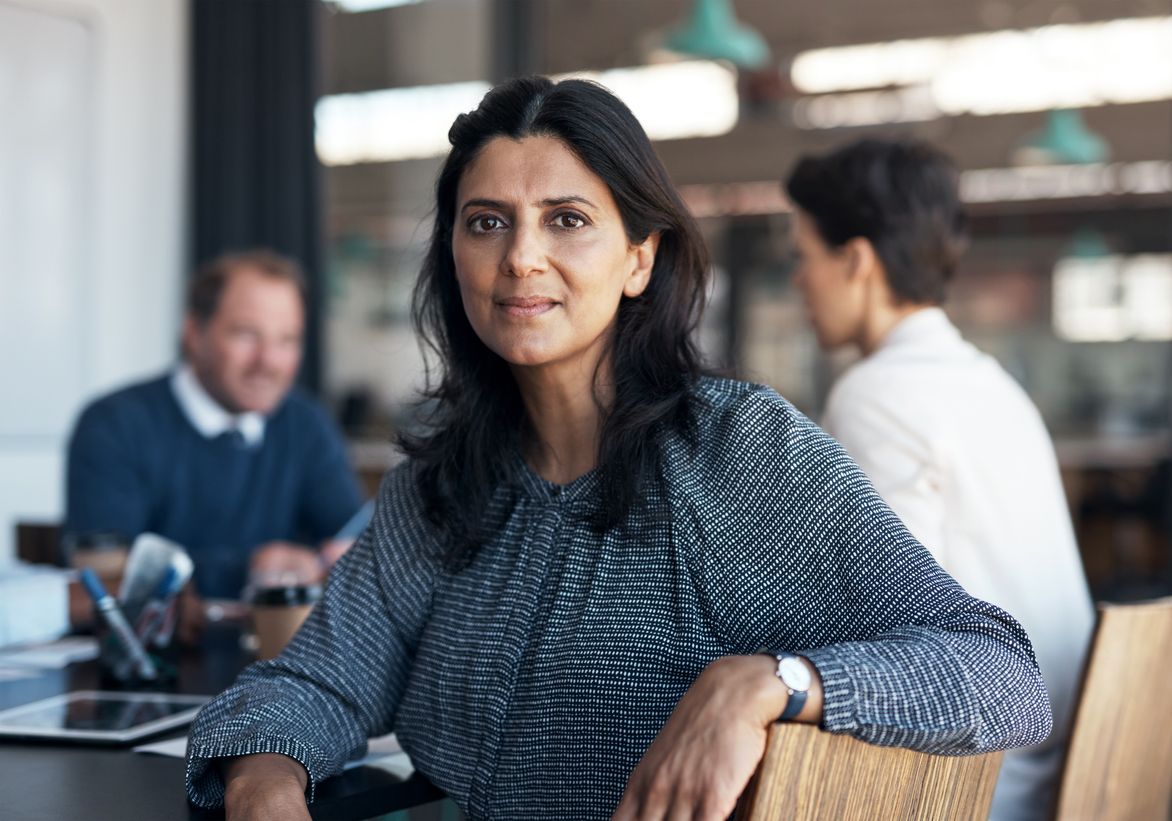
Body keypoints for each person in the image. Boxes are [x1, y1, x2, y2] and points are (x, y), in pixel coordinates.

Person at [185, 77, 1051, 820]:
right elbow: (317, 681)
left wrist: (768, 680)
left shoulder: (732, 452)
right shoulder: (440, 483)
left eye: (567, 220)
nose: (521, 257)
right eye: (486, 223)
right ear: (452, 254)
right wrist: (267, 777)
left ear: (640, 258)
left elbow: (1000, 671)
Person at [786, 137, 1094, 821]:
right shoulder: (991, 383)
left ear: (856, 260)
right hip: (1056, 767)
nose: (797, 281)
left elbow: (869, 637)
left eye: (802, 256)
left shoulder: (875, 394)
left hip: (980, 785)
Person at [65, 250, 364, 601]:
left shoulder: (306, 423)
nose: (268, 361)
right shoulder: (114, 424)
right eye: (246, 335)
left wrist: (344, 555)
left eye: (287, 340)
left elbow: (348, 538)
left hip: (278, 648)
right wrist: (249, 567)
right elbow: (110, 580)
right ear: (194, 333)